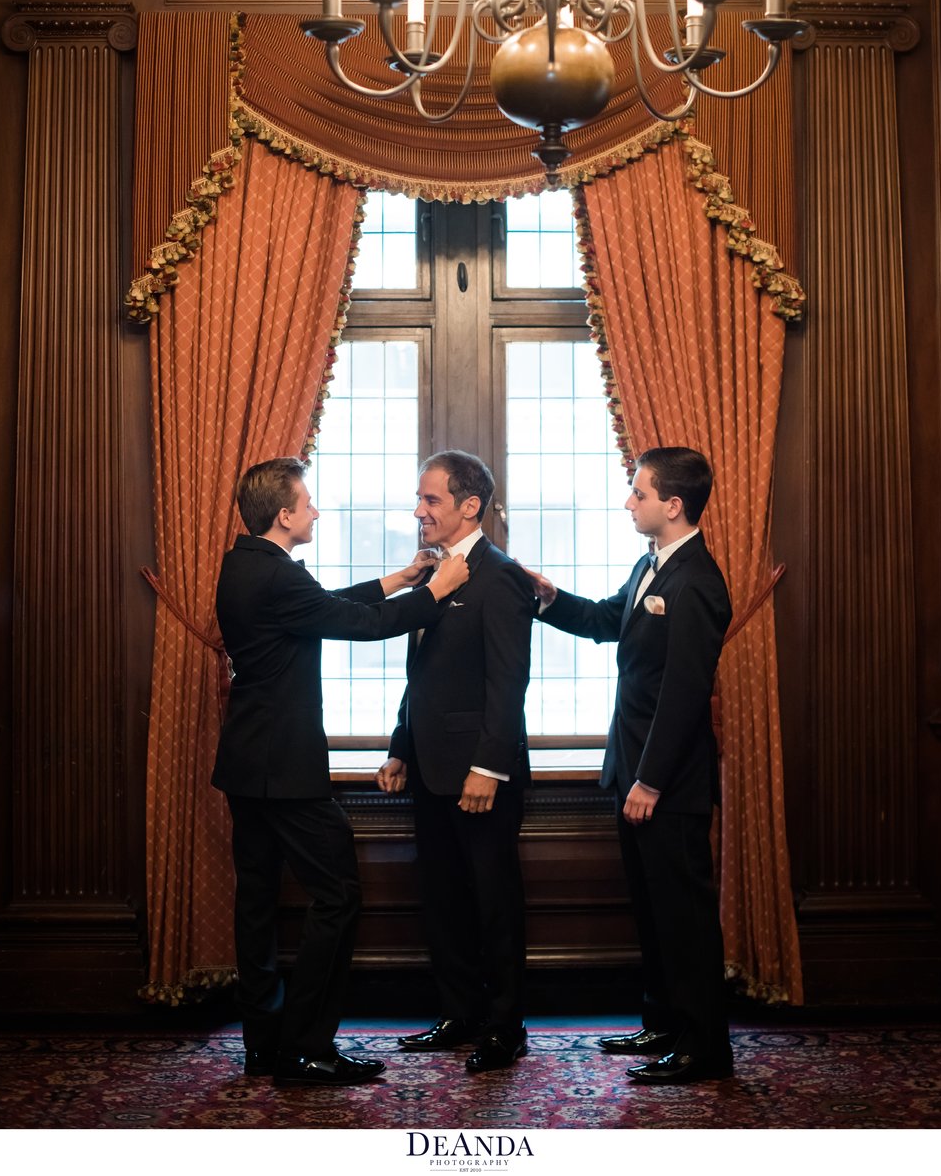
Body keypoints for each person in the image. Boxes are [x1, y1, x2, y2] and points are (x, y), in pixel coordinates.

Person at [211, 455, 468, 1088]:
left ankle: (266, 1045)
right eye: (309, 503)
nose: (317, 512)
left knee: (256, 905)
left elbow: (320, 606)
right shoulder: (275, 577)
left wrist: (398, 579)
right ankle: (307, 1048)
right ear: (284, 514)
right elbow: (358, 625)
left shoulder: (246, 563)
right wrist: (432, 592)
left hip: (247, 765)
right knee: (339, 896)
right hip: (286, 772)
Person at [523, 446, 733, 1085]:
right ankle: (664, 1024)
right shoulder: (652, 564)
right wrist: (550, 597)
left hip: (666, 781)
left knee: (684, 917)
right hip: (635, 771)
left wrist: (650, 779)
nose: (628, 502)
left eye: (638, 494)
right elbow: (605, 621)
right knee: (652, 909)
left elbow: (684, 693)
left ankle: (703, 1050)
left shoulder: (696, 580)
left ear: (673, 505)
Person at [376, 451, 534, 1073]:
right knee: (441, 898)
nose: (418, 511)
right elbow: (423, 672)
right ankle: (459, 1013)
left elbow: (509, 683)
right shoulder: (432, 573)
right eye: (419, 500)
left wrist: (487, 768)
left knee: (493, 901)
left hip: (480, 776)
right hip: (428, 770)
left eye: (431, 500)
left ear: (470, 506)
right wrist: (398, 744)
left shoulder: (501, 577)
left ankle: (504, 1026)